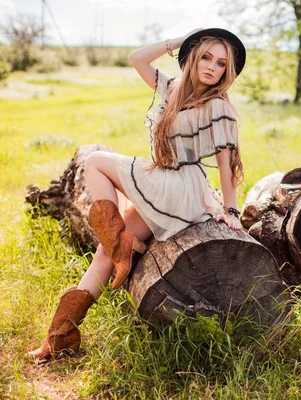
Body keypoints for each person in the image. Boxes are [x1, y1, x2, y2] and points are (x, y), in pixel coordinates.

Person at [28, 28, 246, 360]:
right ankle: (60, 338)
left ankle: (121, 247)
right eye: (205, 56)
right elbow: (137, 58)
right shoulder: (172, 88)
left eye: (220, 63)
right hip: (162, 179)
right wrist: (181, 40)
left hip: (178, 187)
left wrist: (231, 210)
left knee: (97, 161)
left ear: (225, 72)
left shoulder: (218, 107)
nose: (212, 67)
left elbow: (226, 163)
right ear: (192, 56)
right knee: (105, 252)